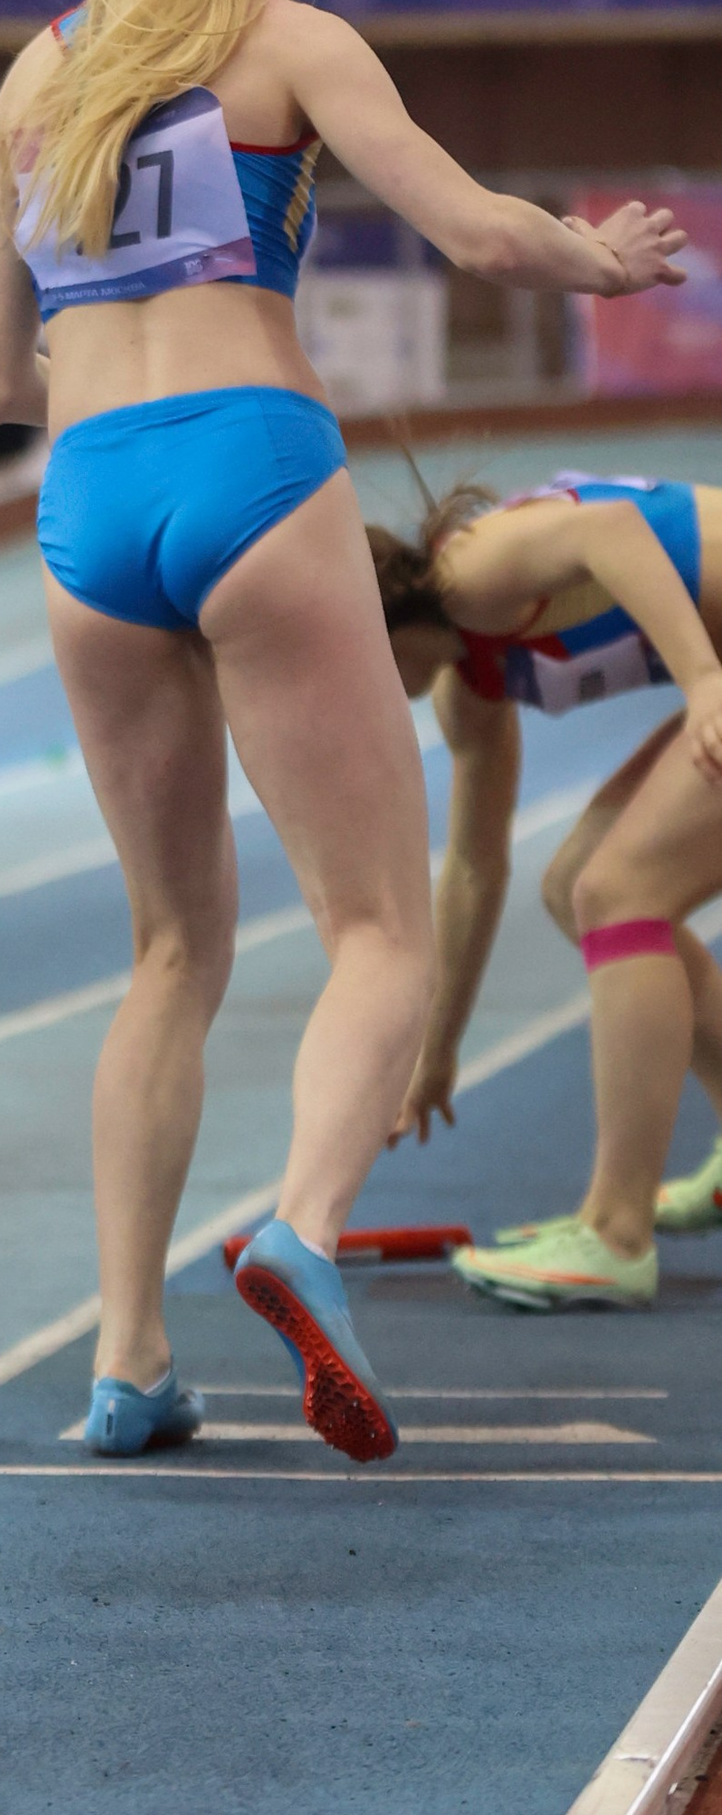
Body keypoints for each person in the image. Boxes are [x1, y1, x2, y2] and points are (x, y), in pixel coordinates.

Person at [0, 0, 684, 1466]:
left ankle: (127, 1360)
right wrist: (603, 257)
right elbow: (476, 233)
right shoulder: (290, 43)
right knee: (378, 927)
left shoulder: (35, 81)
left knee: (168, 953)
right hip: (252, 464)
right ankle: (301, 1221)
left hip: (88, 507)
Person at [367, 470, 722, 1306]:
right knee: (574, 886)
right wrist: (439, 1052)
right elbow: (474, 866)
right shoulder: (471, 687)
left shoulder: (473, 573)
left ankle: (615, 1234)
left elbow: (611, 532)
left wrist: (704, 680)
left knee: (620, 891)